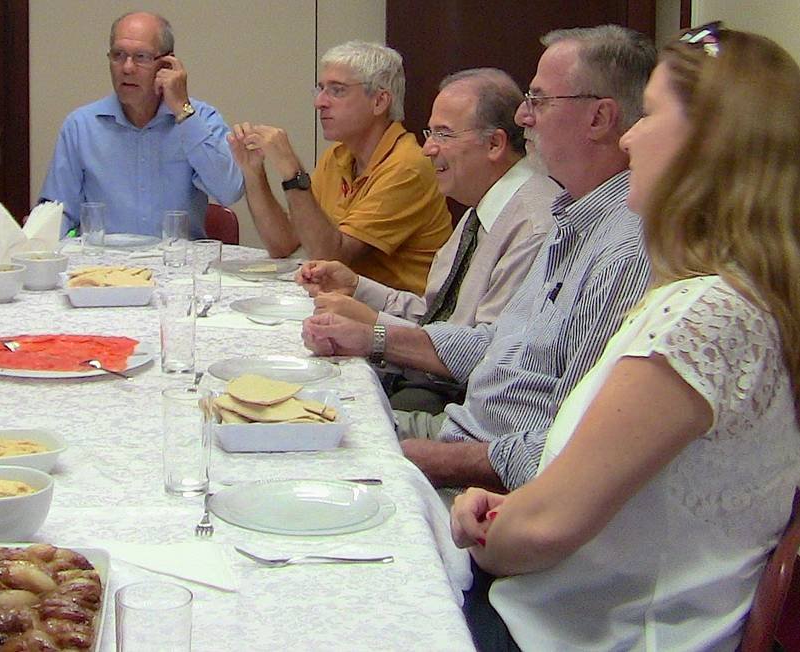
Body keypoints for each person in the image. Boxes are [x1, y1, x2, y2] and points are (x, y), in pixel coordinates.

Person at [451, 24, 800, 651]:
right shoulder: (732, 297)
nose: (632, 135)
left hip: (579, 634)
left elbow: (547, 528)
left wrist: (484, 527)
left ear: (709, 145)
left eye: (654, 115)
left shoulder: (707, 316)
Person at [302, 26, 655, 492]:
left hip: (477, 471)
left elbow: (564, 446)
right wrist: (372, 330)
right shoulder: (568, 215)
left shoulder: (614, 244)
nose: (524, 117)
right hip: (462, 434)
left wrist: (407, 451)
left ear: (599, 118)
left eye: (540, 100)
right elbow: (494, 345)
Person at [300, 68, 559, 414]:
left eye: (443, 134)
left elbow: (488, 353)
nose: (427, 149)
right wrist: (357, 287)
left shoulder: (533, 226)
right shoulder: (480, 209)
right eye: (429, 132)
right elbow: (436, 315)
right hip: (430, 381)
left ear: (495, 144)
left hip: (464, 405)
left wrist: (374, 328)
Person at [230, 41, 452, 293]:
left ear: (379, 101)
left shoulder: (407, 166)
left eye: (337, 90)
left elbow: (331, 256)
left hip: (401, 318)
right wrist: (253, 171)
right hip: (351, 307)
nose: (320, 103)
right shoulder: (339, 155)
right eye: (321, 89)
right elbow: (283, 244)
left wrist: (292, 171)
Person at [39, 11, 243, 238]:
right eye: (118, 55)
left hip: (178, 266)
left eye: (141, 57)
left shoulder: (199, 118)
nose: (127, 68)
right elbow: (58, 213)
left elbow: (230, 191)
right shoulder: (80, 126)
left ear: (167, 64)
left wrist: (183, 112)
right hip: (104, 268)